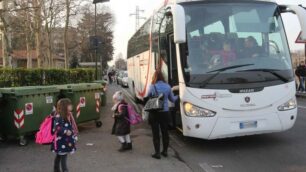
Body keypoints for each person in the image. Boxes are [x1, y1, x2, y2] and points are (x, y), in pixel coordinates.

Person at [146, 70, 178, 159]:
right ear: (163, 77)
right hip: (165, 113)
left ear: (154, 77)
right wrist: (178, 96)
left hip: (154, 113)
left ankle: (157, 153)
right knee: (165, 133)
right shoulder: (168, 87)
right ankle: (165, 151)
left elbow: (148, 95)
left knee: (155, 134)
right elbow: (172, 100)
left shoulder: (152, 86)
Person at [51, 98, 78, 172]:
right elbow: (56, 127)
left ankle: (56, 169)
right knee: (63, 156)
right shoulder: (59, 116)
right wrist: (65, 131)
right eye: (70, 105)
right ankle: (65, 170)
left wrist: (73, 134)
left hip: (65, 140)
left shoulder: (68, 115)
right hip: (61, 141)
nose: (71, 106)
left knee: (59, 155)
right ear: (65, 106)